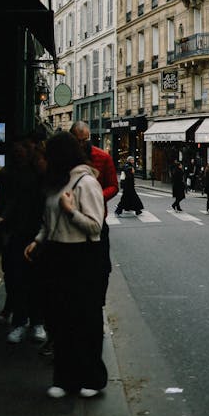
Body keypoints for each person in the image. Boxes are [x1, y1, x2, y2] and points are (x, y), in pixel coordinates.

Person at [24, 132, 108, 399]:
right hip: (56, 254)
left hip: (82, 257)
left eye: (49, 153)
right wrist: (38, 240)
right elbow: (48, 221)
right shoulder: (55, 182)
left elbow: (95, 227)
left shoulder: (86, 183)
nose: (45, 158)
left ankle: (91, 378)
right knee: (59, 318)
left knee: (84, 319)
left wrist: (71, 211)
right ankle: (64, 376)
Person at [0, 137, 47, 344]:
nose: (19, 153)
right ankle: (24, 322)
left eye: (22, 149)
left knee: (33, 279)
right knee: (20, 278)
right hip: (21, 231)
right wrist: (5, 218)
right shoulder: (18, 175)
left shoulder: (39, 175)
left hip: (36, 232)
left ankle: (34, 322)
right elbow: (14, 201)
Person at [70, 121, 118, 305]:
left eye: (86, 140)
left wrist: (96, 196)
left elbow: (113, 186)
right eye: (78, 140)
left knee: (101, 268)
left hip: (97, 221)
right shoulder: (65, 159)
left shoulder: (103, 158)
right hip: (72, 223)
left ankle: (98, 304)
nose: (82, 144)